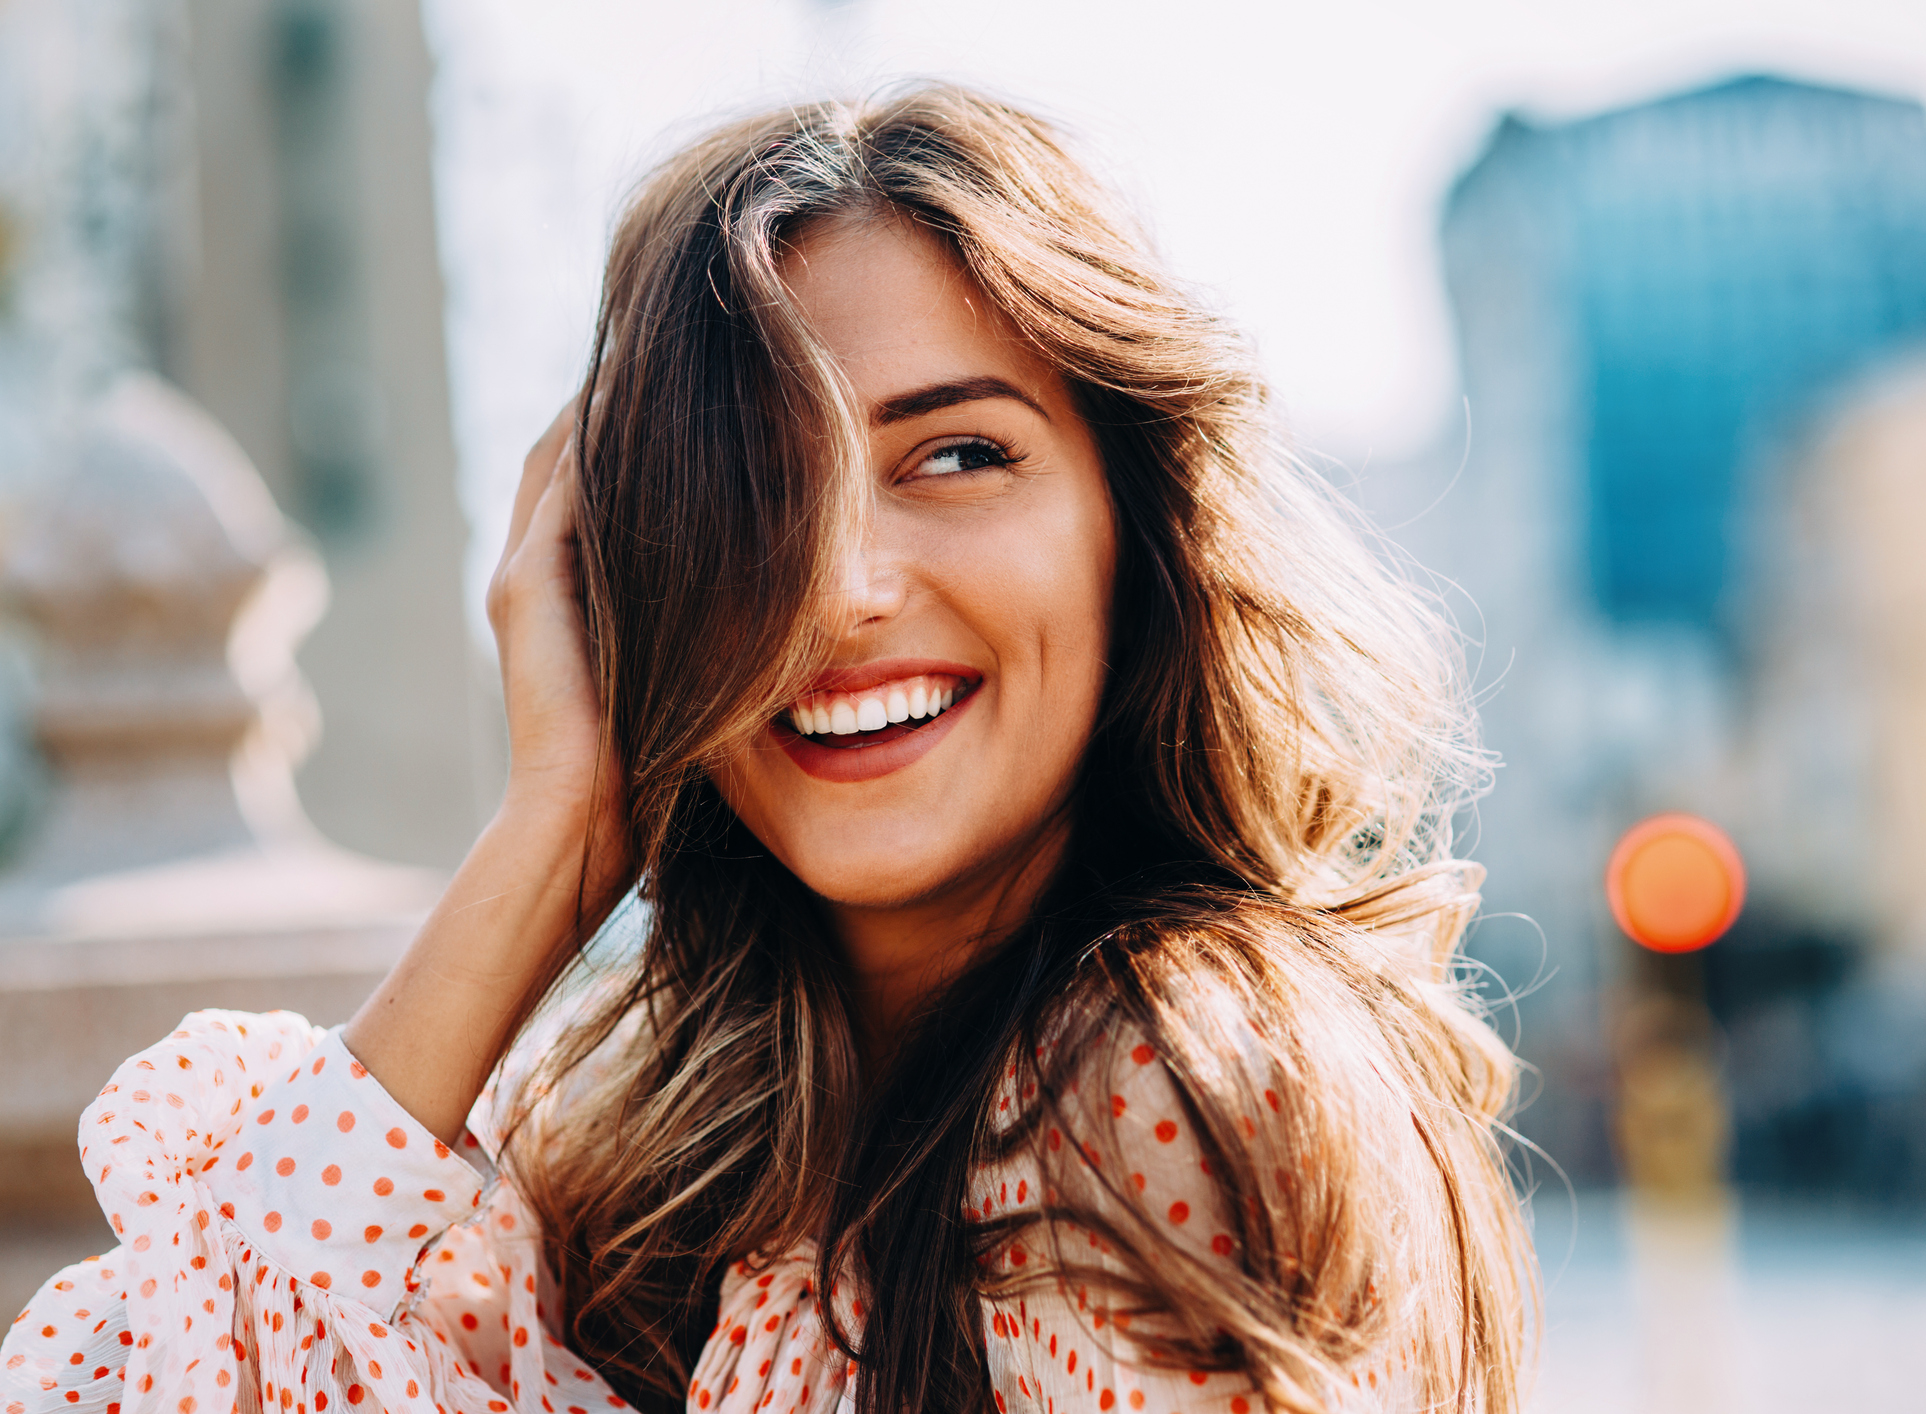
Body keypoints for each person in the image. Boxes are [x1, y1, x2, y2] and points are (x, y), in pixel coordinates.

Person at [3, 86, 1530, 1414]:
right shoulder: (688, 1153)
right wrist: (557, 826)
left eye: (955, 454)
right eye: (753, 494)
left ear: (1130, 533)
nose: (838, 586)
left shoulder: (1144, 1083)